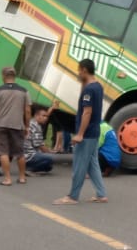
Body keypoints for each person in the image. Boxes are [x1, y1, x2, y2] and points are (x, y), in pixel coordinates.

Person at [53, 58, 107, 205]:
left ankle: (73, 196)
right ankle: (101, 194)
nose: (78, 73)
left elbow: (87, 112)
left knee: (79, 165)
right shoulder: (97, 86)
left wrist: (80, 134)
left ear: (83, 69)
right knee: (92, 164)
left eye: (79, 70)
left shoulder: (89, 90)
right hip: (94, 131)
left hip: (87, 133)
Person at [0, 67, 31, 186]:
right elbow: (28, 110)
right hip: (18, 125)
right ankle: (22, 177)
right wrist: (27, 126)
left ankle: (7, 179)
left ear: (3, 76)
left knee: (3, 152)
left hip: (1, 124)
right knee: (20, 152)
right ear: (14, 76)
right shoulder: (24, 91)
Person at [24, 103, 56, 175]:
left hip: (25, 155)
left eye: (46, 116)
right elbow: (40, 146)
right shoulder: (35, 126)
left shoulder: (32, 123)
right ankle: (28, 169)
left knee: (48, 167)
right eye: (43, 116)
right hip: (29, 156)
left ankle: (29, 167)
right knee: (51, 159)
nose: (46, 118)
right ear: (36, 115)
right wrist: (49, 152)